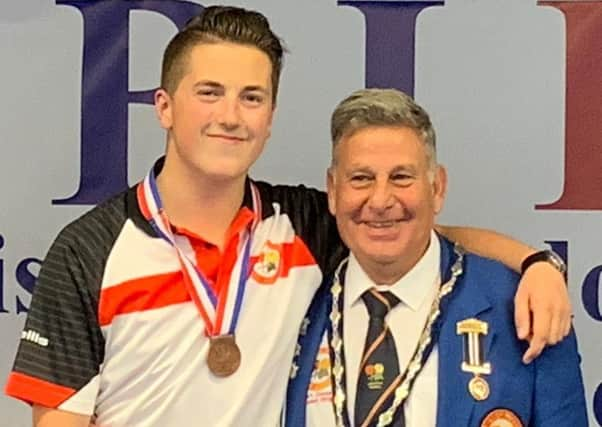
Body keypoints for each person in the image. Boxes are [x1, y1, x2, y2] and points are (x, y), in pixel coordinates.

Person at [5, 6, 571, 427]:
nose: (230, 116)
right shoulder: (89, 251)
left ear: (270, 116)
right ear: (164, 106)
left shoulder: (300, 222)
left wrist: (536, 263)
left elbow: (417, 231)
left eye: (251, 97)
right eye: (209, 92)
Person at [284, 88, 587, 427]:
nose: (381, 199)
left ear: (438, 187)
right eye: (361, 178)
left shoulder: (525, 308)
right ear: (333, 191)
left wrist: (537, 264)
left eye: (401, 177)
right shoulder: (294, 304)